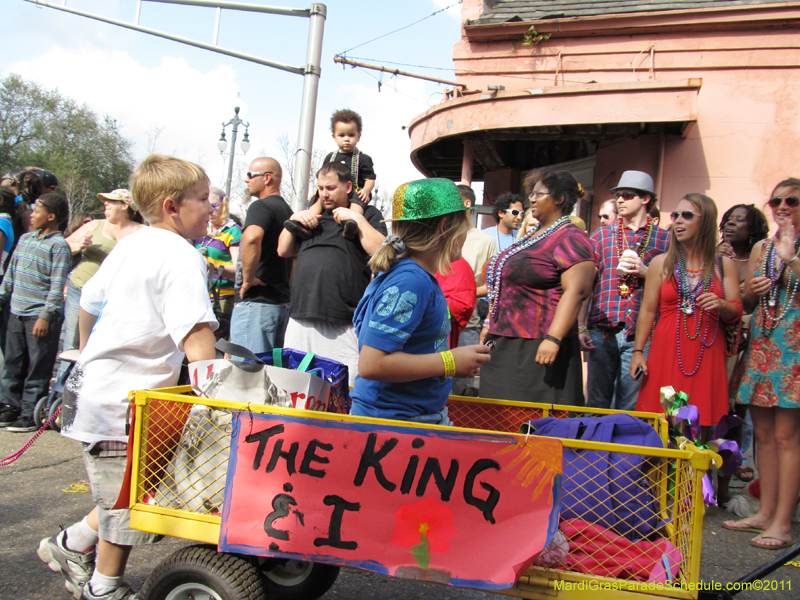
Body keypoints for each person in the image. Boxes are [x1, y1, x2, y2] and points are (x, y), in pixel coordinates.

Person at [38, 154, 217, 600]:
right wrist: (215, 401)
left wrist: (86, 352)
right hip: (122, 402)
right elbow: (196, 338)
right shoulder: (182, 258)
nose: (211, 206)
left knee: (135, 485)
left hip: (104, 390)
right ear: (173, 206)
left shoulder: (134, 242)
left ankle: (72, 542)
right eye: (202, 199)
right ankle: (104, 588)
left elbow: (89, 299)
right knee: (126, 503)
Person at [349, 178, 491, 422]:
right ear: (445, 226)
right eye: (465, 225)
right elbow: (372, 364)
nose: (467, 234)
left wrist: (454, 359)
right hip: (391, 427)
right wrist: (449, 362)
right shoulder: (411, 281)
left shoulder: (415, 276)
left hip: (409, 419)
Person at [722, 178, 800, 550]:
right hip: (764, 345)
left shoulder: (786, 250)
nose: (782, 206)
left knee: (788, 437)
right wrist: (754, 289)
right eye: (776, 201)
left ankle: (783, 522)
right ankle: (765, 512)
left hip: (795, 350)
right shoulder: (761, 248)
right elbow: (749, 304)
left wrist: (790, 259)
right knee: (764, 436)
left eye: (792, 201)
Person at [480, 171, 596, 405]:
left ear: (559, 199)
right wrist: (489, 324)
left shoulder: (571, 238)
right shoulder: (532, 235)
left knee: (533, 421)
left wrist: (553, 339)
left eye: (539, 194)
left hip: (537, 343)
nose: (531, 199)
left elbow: (576, 292)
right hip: (505, 340)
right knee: (497, 417)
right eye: (531, 194)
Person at [631, 194, 742, 429]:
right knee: (664, 421)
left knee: (700, 426)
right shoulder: (661, 263)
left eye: (687, 215)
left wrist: (721, 305)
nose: (678, 221)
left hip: (706, 351)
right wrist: (638, 351)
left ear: (706, 221)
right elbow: (648, 310)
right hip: (666, 351)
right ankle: (664, 467)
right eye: (675, 215)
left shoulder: (723, 264)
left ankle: (695, 467)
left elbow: (735, 311)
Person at [277, 162, 386, 383]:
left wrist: (357, 219)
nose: (324, 194)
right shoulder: (310, 217)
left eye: (330, 188)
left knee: (346, 391)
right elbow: (283, 250)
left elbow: (381, 251)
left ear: (347, 187)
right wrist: (293, 222)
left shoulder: (368, 214)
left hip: (343, 321)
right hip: (301, 317)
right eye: (320, 188)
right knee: (293, 389)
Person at [578, 170, 670, 411]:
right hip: (602, 330)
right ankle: (594, 450)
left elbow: (674, 287)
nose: (620, 200)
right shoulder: (601, 235)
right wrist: (581, 326)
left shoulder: (664, 240)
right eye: (618, 195)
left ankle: (622, 450)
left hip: (641, 334)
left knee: (631, 405)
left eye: (627, 195)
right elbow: (586, 286)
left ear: (645, 199)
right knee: (596, 403)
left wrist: (647, 272)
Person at [0, 193, 71, 431]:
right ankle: (10, 406)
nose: (31, 214)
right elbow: (11, 271)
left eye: (37, 211)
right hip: (15, 312)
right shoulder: (26, 239)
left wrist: (45, 315)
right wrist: (2, 296)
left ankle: (30, 412)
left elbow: (57, 284)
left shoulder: (59, 246)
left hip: (38, 317)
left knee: (37, 366)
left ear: (51, 217)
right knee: (13, 362)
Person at [717, 204, 769, 484]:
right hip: (712, 339)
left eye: (740, 221)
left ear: (753, 230)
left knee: (734, 411)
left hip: (743, 341)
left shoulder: (759, 260)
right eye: (729, 219)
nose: (731, 224)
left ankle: (726, 481)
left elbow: (747, 303)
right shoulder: (711, 256)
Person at [62, 189, 143, 358]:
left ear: (124, 205)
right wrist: (79, 246)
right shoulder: (94, 225)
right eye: (105, 201)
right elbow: (62, 247)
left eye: (111, 201)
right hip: (80, 290)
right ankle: (65, 381)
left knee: (106, 343)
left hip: (118, 298)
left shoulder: (142, 232)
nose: (105, 203)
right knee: (73, 344)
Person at [230, 158, 293, 355]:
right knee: (269, 378)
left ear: (267, 178)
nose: (246, 180)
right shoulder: (287, 211)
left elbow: (251, 237)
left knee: (247, 378)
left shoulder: (261, 207)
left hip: (257, 305)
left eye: (250, 175)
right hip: (279, 306)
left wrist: (247, 279)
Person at [285, 109, 376, 240]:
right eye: (341, 135)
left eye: (351, 135)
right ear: (334, 136)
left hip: (354, 191)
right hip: (333, 191)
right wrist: (317, 190)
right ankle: (306, 224)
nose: (346, 139)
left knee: (357, 202)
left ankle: (350, 224)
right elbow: (323, 177)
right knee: (316, 201)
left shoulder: (363, 158)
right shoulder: (330, 157)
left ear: (358, 136)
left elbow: (370, 178)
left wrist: (366, 190)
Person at [452, 184, 496, 395]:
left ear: (467, 204)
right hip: (437, 326)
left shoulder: (485, 241)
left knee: (463, 391)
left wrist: (464, 294)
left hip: (467, 326)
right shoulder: (441, 235)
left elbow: (494, 284)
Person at [195, 187, 242, 337]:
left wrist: (213, 267)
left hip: (222, 298)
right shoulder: (201, 229)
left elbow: (239, 269)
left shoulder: (232, 231)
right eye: (206, 205)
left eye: (214, 205)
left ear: (224, 204)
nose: (210, 210)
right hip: (200, 295)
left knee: (215, 344)